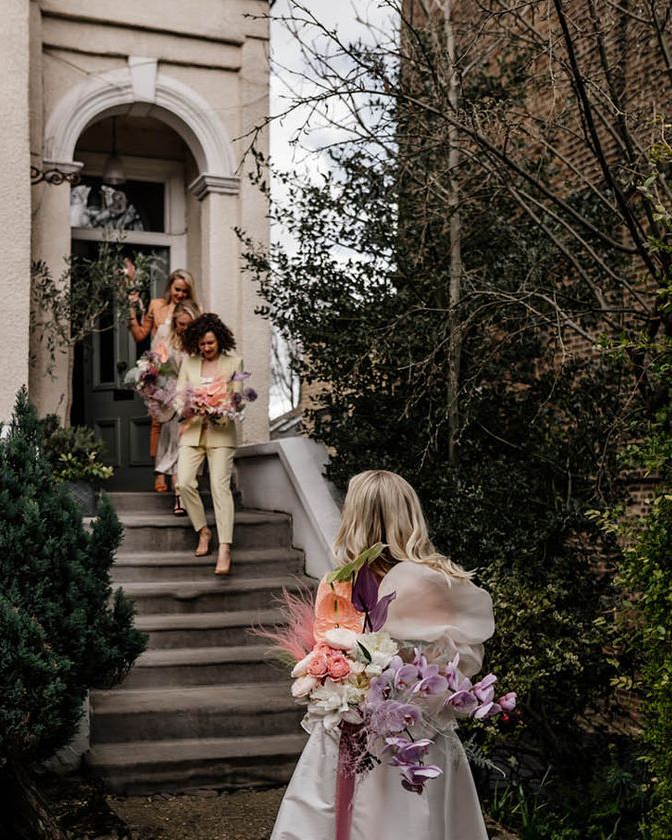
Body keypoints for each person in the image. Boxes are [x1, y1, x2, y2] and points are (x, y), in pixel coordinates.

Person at [271, 470, 495, 840]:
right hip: (419, 736)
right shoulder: (442, 581)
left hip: (357, 733)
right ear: (410, 516)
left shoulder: (340, 583)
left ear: (354, 517)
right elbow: (462, 663)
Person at [174, 312, 243, 576]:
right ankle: (203, 530)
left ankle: (225, 548)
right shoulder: (189, 363)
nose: (206, 348)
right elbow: (180, 398)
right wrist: (192, 406)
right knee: (184, 481)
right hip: (192, 431)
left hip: (221, 433)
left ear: (220, 340)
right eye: (202, 344)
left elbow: (238, 399)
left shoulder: (234, 362)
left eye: (210, 343)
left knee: (219, 486)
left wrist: (219, 408)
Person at [123, 260, 198, 492]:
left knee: (178, 426)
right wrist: (131, 310)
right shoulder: (157, 306)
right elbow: (140, 335)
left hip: (181, 370)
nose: (180, 294)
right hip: (160, 370)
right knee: (158, 422)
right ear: (169, 288)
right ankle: (159, 474)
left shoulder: (194, 310)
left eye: (185, 291)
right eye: (177, 289)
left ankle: (172, 473)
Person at [149, 299, 200, 515]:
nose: (184, 329)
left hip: (194, 402)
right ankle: (179, 496)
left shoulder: (200, 340)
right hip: (170, 400)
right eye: (181, 325)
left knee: (186, 449)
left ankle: (183, 494)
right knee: (176, 447)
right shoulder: (163, 334)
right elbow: (153, 365)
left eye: (189, 325)